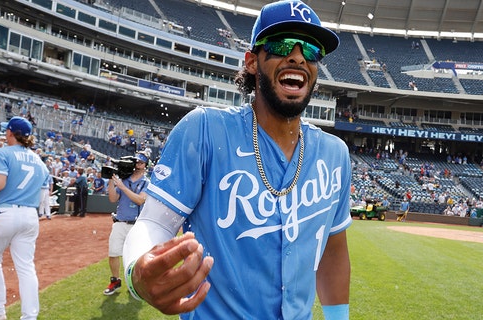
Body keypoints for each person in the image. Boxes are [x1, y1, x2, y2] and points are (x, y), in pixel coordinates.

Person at [122, 1, 351, 319]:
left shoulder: (336, 154)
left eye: (311, 50)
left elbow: (332, 249)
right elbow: (155, 222)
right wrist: (137, 273)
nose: (298, 56)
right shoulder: (204, 129)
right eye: (282, 44)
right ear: (253, 62)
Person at [0, 116, 49, 320]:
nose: (5, 133)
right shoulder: (40, 161)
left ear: (11, 132)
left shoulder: (2, 152)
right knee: (26, 267)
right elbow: (43, 194)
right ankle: (30, 317)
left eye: (7, 131)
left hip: (6, 212)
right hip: (30, 215)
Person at [104, 152, 150, 296]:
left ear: (145, 166)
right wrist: (112, 181)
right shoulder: (124, 180)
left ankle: (136, 284)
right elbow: (112, 199)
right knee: (113, 253)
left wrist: (122, 187)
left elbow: (140, 200)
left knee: (136, 257)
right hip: (120, 221)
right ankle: (115, 280)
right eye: (136, 162)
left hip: (136, 224)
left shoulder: (146, 182)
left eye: (141, 163)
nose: (137, 165)